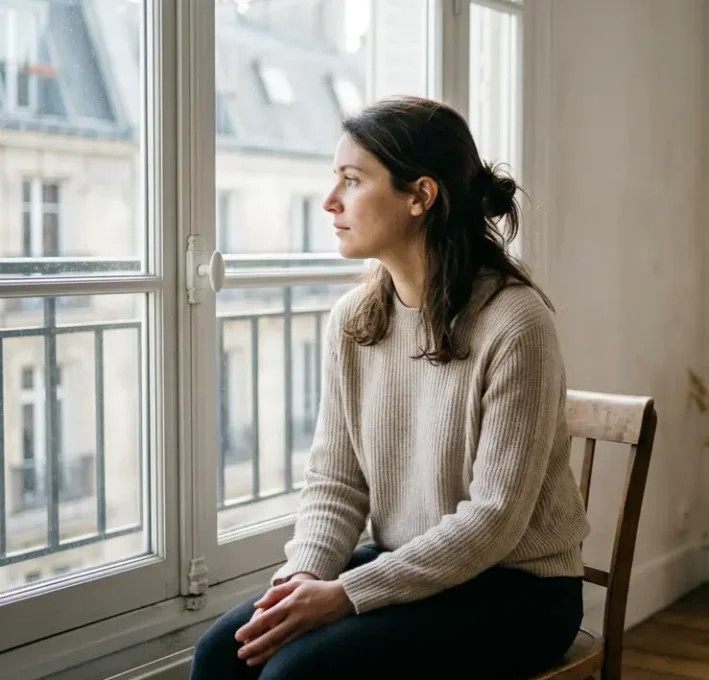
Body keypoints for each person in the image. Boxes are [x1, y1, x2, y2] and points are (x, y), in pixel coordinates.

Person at [190, 95, 590, 680]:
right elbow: (336, 479)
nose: (330, 201)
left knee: (294, 674)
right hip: (411, 565)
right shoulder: (354, 320)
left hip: (519, 589)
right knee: (221, 654)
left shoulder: (515, 322)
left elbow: (495, 520)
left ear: (420, 196)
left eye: (352, 181)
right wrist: (305, 576)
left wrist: (345, 594)